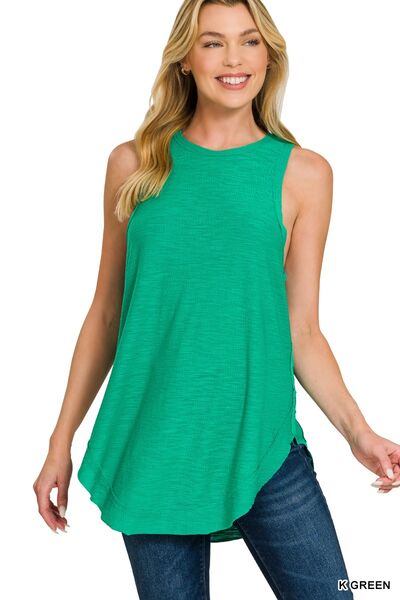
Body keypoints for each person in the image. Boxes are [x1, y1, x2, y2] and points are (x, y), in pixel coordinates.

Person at [33, 1, 400, 598]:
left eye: (249, 41)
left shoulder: (304, 174)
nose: (234, 59)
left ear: (269, 56)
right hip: (156, 449)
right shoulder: (134, 165)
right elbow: (106, 314)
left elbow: (302, 330)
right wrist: (59, 442)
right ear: (185, 59)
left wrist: (358, 432)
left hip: (264, 447)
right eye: (212, 43)